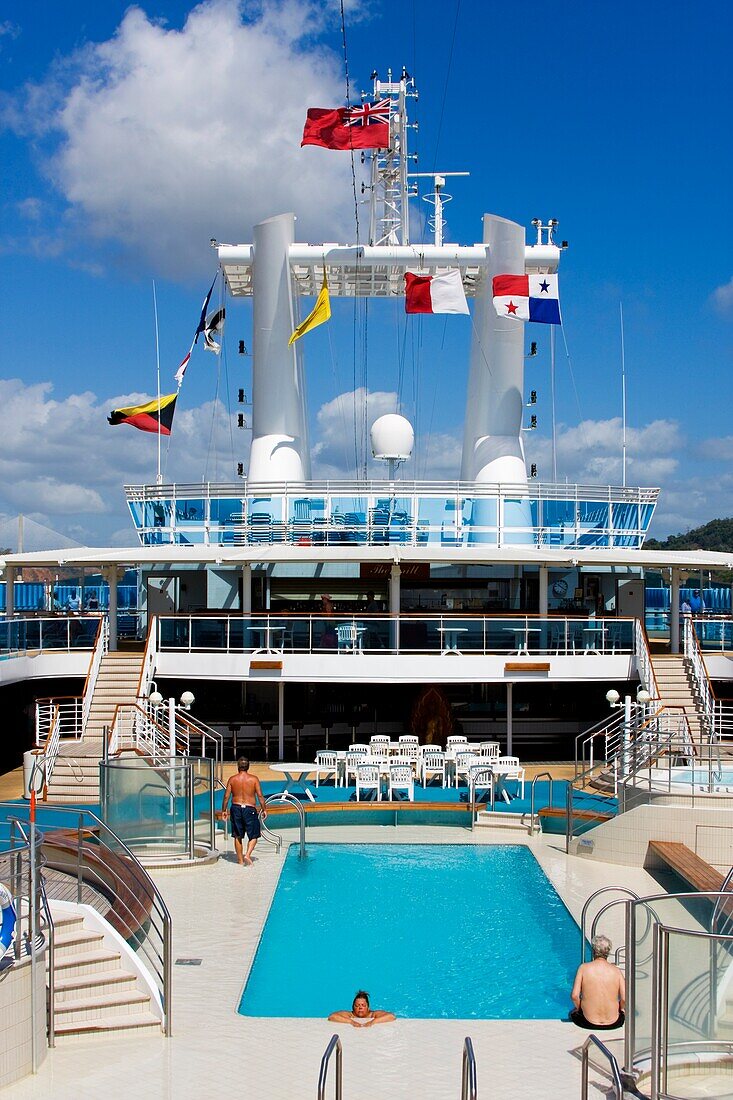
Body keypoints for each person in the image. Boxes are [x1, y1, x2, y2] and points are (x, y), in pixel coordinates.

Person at [570, 934, 625, 1029]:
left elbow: (574, 996)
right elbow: (624, 999)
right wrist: (621, 1009)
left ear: (594, 951)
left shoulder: (583, 968)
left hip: (588, 1021)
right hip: (614, 1023)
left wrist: (579, 1009)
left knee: (572, 1013)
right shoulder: (617, 971)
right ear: (608, 952)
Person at [220, 757, 266, 866]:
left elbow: (226, 797)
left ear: (238, 767)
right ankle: (247, 855)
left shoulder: (232, 779)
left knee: (237, 836)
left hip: (236, 808)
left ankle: (240, 862)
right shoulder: (254, 779)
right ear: (248, 766)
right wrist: (264, 809)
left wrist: (223, 810)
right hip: (250, 809)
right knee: (254, 835)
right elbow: (260, 796)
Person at [329, 990, 395, 1028]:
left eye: (363, 1005)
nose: (360, 1007)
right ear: (353, 1007)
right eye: (357, 1005)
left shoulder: (373, 1015)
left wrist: (372, 1022)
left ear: (368, 1007)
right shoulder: (350, 1015)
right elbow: (332, 1017)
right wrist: (351, 1022)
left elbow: (391, 1016)